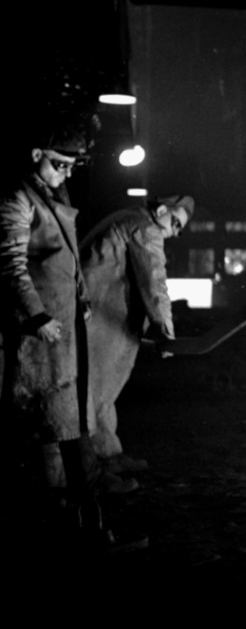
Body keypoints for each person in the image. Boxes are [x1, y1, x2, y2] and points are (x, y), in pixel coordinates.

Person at [0, 124, 101, 546]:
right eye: (58, 164)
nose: (65, 173)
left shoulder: (55, 198)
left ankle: (82, 520)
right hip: (41, 337)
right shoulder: (19, 200)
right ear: (36, 153)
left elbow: (69, 260)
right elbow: (11, 264)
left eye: (71, 167)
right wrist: (37, 316)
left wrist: (81, 298)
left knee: (71, 423)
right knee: (44, 424)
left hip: (65, 331)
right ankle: (43, 521)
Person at [81, 194, 194, 477]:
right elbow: (154, 280)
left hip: (101, 313)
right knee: (97, 390)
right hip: (102, 316)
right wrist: (166, 331)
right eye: (176, 222)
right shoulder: (145, 228)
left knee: (101, 391)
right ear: (162, 210)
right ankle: (97, 465)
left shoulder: (127, 217)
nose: (176, 232)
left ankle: (109, 454)